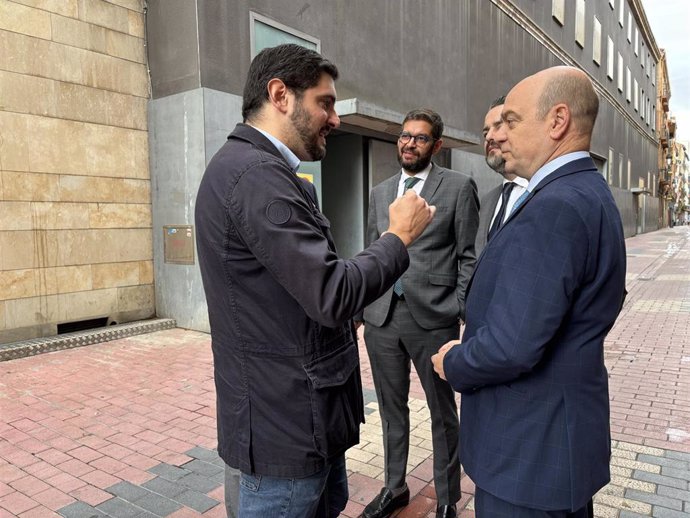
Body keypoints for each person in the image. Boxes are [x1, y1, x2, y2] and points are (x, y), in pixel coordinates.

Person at [195, 43, 436, 518]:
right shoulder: (256, 177)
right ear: (280, 95)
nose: (336, 118)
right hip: (285, 433)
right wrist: (397, 238)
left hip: (294, 422)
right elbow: (330, 293)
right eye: (324, 102)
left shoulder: (257, 171)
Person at [431, 66, 626, 517]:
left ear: (557, 121)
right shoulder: (587, 192)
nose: (501, 132)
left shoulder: (555, 206)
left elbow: (510, 348)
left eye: (513, 120)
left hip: (529, 455)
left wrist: (453, 361)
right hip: (555, 446)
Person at [359, 109, 479, 518]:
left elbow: (467, 257)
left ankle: (447, 498)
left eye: (420, 138)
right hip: (381, 318)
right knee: (392, 411)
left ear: (437, 146)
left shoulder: (459, 187)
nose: (409, 143)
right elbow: (372, 253)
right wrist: (362, 305)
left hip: (433, 319)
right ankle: (394, 488)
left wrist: (458, 307)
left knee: (443, 412)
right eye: (405, 136)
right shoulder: (380, 192)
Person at [475, 96, 528, 256]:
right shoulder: (488, 200)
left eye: (499, 126)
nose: (489, 137)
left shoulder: (544, 192)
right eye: (485, 133)